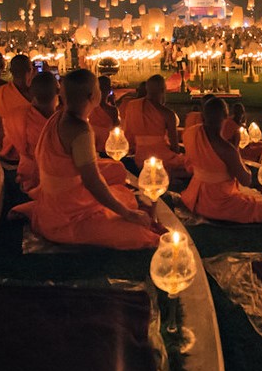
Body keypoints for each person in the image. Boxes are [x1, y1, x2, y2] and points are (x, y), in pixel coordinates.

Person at [11, 69, 159, 249]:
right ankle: (49, 218)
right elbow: (92, 182)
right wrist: (127, 214)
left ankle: (40, 209)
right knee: (139, 234)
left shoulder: (59, 116)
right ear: (92, 96)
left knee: (117, 170)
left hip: (60, 192)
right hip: (68, 213)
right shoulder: (80, 129)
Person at [181, 97, 262, 223]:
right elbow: (246, 180)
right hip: (219, 204)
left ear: (203, 115)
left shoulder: (190, 133)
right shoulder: (226, 149)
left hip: (193, 197)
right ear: (226, 116)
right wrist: (238, 155)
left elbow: (189, 166)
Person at [123, 74, 188, 176]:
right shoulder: (167, 114)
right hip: (163, 161)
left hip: (139, 159)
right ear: (163, 90)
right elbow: (175, 148)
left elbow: (128, 137)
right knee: (194, 165)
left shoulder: (132, 106)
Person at [13, 72, 59, 194]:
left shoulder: (17, 116)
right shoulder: (62, 122)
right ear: (58, 92)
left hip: (28, 174)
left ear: (30, 93)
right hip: (55, 179)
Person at [0, 54, 33, 161]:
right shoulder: (37, 94)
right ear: (31, 70)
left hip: (8, 149)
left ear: (10, 70)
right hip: (32, 149)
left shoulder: (0, 92)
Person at [90, 75, 121, 153]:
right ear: (109, 90)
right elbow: (116, 129)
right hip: (107, 147)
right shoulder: (112, 110)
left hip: (92, 145)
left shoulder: (88, 107)